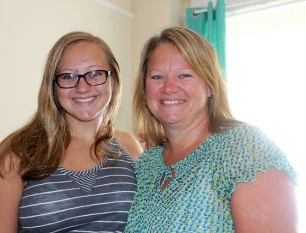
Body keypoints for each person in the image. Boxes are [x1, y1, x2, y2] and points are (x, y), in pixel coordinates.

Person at [124, 26, 298, 232]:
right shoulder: (147, 164)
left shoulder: (246, 150)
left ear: (209, 86)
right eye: (157, 77)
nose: (169, 87)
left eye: (185, 75)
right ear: (144, 90)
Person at [0, 31, 142, 233]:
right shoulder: (17, 153)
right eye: (68, 76)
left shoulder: (129, 147)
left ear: (114, 81)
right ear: (53, 86)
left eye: (94, 73)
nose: (82, 87)